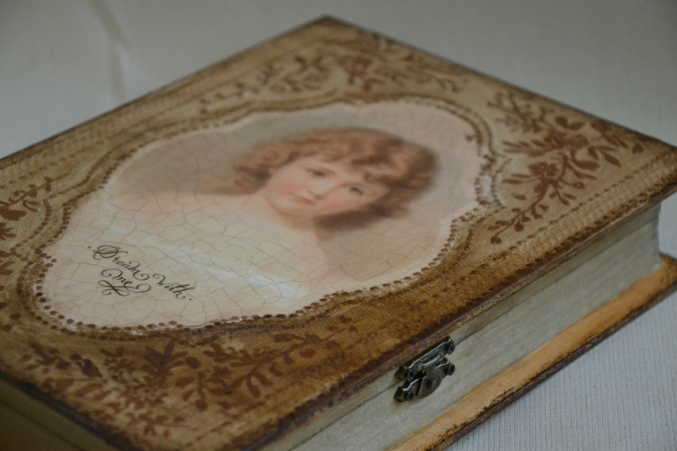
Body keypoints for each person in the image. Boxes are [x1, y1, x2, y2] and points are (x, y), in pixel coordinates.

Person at [43, 128, 437, 327]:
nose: (320, 192)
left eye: (354, 189)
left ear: (369, 205)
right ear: (282, 159)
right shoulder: (168, 204)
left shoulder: (304, 268)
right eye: (318, 172)